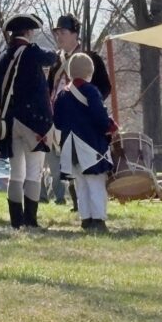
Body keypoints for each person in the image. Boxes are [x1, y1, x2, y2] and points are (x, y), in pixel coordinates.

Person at [0, 13, 59, 229]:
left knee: (16, 173)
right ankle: (30, 220)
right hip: (33, 123)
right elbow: (52, 58)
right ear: (28, 32)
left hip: (10, 122)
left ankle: (16, 221)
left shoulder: (3, 57)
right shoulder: (31, 51)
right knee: (33, 172)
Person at [46, 14, 111, 207]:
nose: (59, 36)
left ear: (75, 34)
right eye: (57, 33)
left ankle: (93, 210)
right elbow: (50, 89)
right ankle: (80, 205)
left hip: (86, 122)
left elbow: (105, 87)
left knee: (88, 166)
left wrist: (89, 106)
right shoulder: (56, 61)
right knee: (70, 161)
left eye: (63, 32)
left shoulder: (90, 58)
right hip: (63, 119)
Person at [52, 53, 118, 232]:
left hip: (70, 147)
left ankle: (86, 219)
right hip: (91, 146)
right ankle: (98, 219)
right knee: (96, 183)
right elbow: (100, 118)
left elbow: (57, 122)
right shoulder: (91, 91)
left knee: (81, 184)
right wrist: (111, 126)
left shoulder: (62, 95)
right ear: (90, 72)